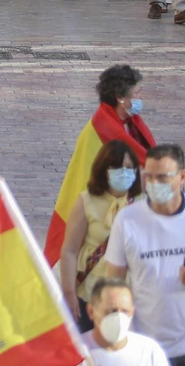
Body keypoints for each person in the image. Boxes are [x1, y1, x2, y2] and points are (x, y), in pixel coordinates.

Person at [104, 144, 185, 364]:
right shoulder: (127, 220)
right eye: (148, 177)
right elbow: (113, 281)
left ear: (182, 177)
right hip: (148, 346)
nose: (154, 184)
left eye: (162, 177)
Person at [60, 139, 142, 330]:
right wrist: (69, 293)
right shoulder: (86, 201)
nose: (124, 172)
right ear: (104, 169)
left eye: (129, 167)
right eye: (117, 167)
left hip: (131, 298)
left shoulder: (143, 203)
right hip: (91, 294)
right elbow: (70, 250)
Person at [83, 277, 171, 366]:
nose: (119, 317)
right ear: (91, 311)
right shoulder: (75, 352)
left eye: (125, 311)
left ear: (132, 312)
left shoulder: (149, 352)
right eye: (111, 311)